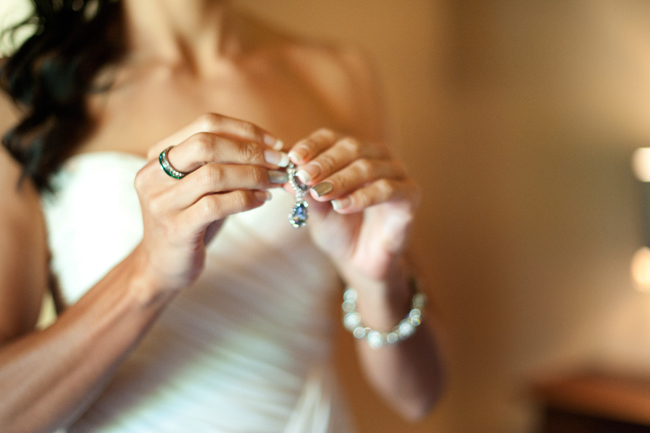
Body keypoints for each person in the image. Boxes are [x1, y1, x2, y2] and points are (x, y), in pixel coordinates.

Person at [0, 0, 444, 431]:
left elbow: (420, 395)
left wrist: (377, 281)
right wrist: (147, 275)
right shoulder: (22, 97)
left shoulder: (338, 74)